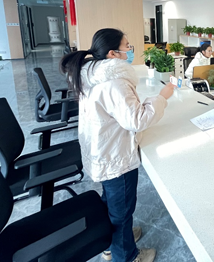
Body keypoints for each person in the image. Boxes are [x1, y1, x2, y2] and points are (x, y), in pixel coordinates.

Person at [60, 28, 174, 262]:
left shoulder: (92, 73)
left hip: (102, 149)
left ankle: (112, 242)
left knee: (111, 201)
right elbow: (136, 120)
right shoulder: (113, 81)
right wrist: (161, 97)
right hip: (115, 155)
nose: (130, 51)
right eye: (127, 47)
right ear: (112, 53)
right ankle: (127, 255)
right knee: (121, 209)